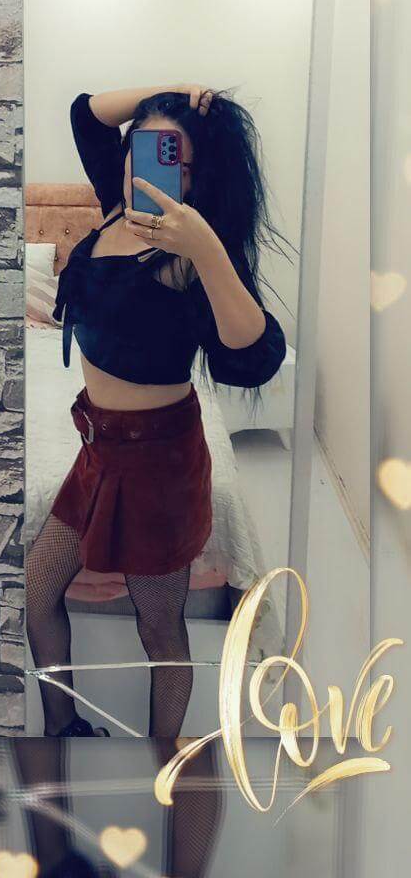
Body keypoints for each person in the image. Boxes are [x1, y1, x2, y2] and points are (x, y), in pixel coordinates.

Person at [26, 85, 288, 739]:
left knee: (160, 629)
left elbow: (255, 356)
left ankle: (162, 756)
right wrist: (172, 90)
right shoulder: (117, 206)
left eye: (175, 162)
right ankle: (64, 727)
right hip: (97, 450)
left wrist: (205, 248)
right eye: (144, 150)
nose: (150, 172)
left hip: (160, 467)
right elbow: (84, 112)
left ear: (198, 179)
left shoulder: (188, 255)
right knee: (36, 591)